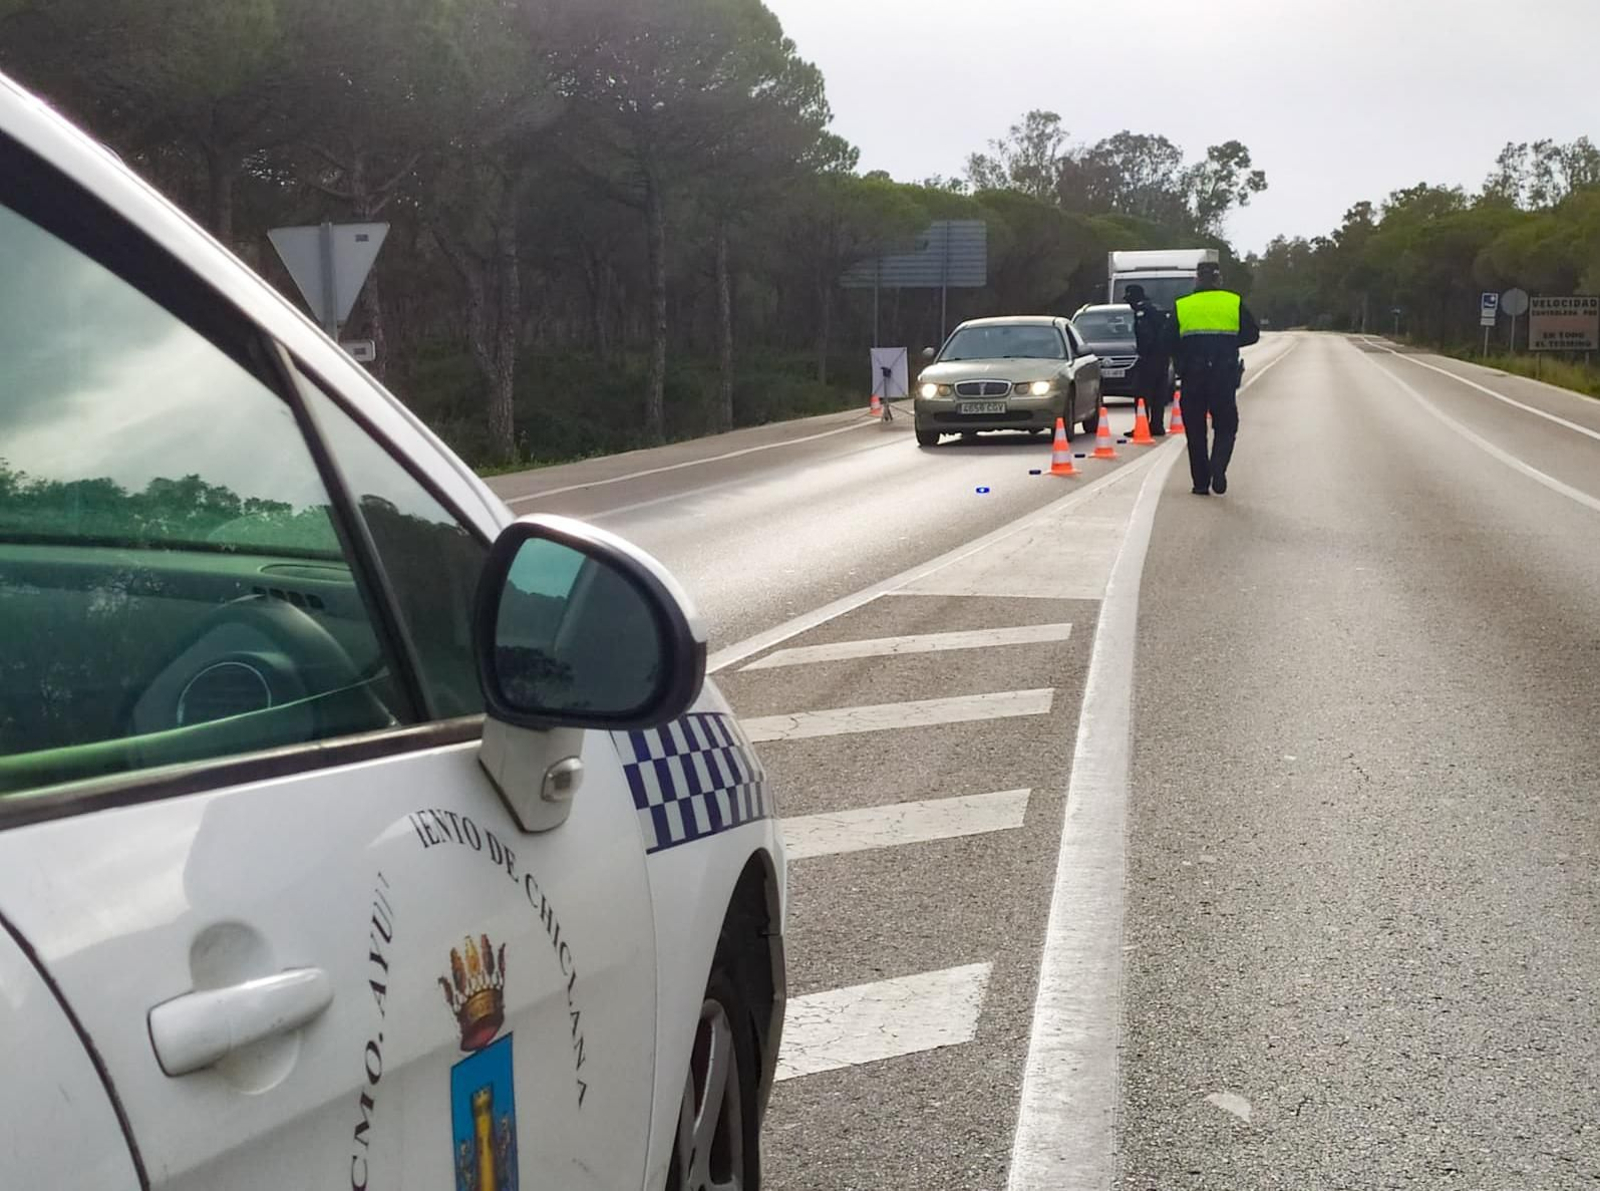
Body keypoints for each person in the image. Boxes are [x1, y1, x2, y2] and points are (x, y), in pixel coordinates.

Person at [1162, 261, 1260, 495]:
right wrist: (1229, 343)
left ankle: (1200, 483)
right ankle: (1218, 466)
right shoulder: (1232, 302)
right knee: (1226, 425)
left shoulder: (1183, 305)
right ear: (1219, 280)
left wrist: (1183, 356)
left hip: (1193, 376)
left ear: (1197, 279)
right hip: (1223, 374)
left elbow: (1166, 340)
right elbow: (1252, 334)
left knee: (1195, 430)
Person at [1122, 283, 1171, 436]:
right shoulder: (1155, 309)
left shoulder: (1142, 312)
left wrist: (1143, 353)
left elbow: (1145, 335)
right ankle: (1157, 425)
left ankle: (1142, 426)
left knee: (1141, 394)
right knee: (1158, 393)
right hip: (1162, 358)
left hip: (1150, 359)